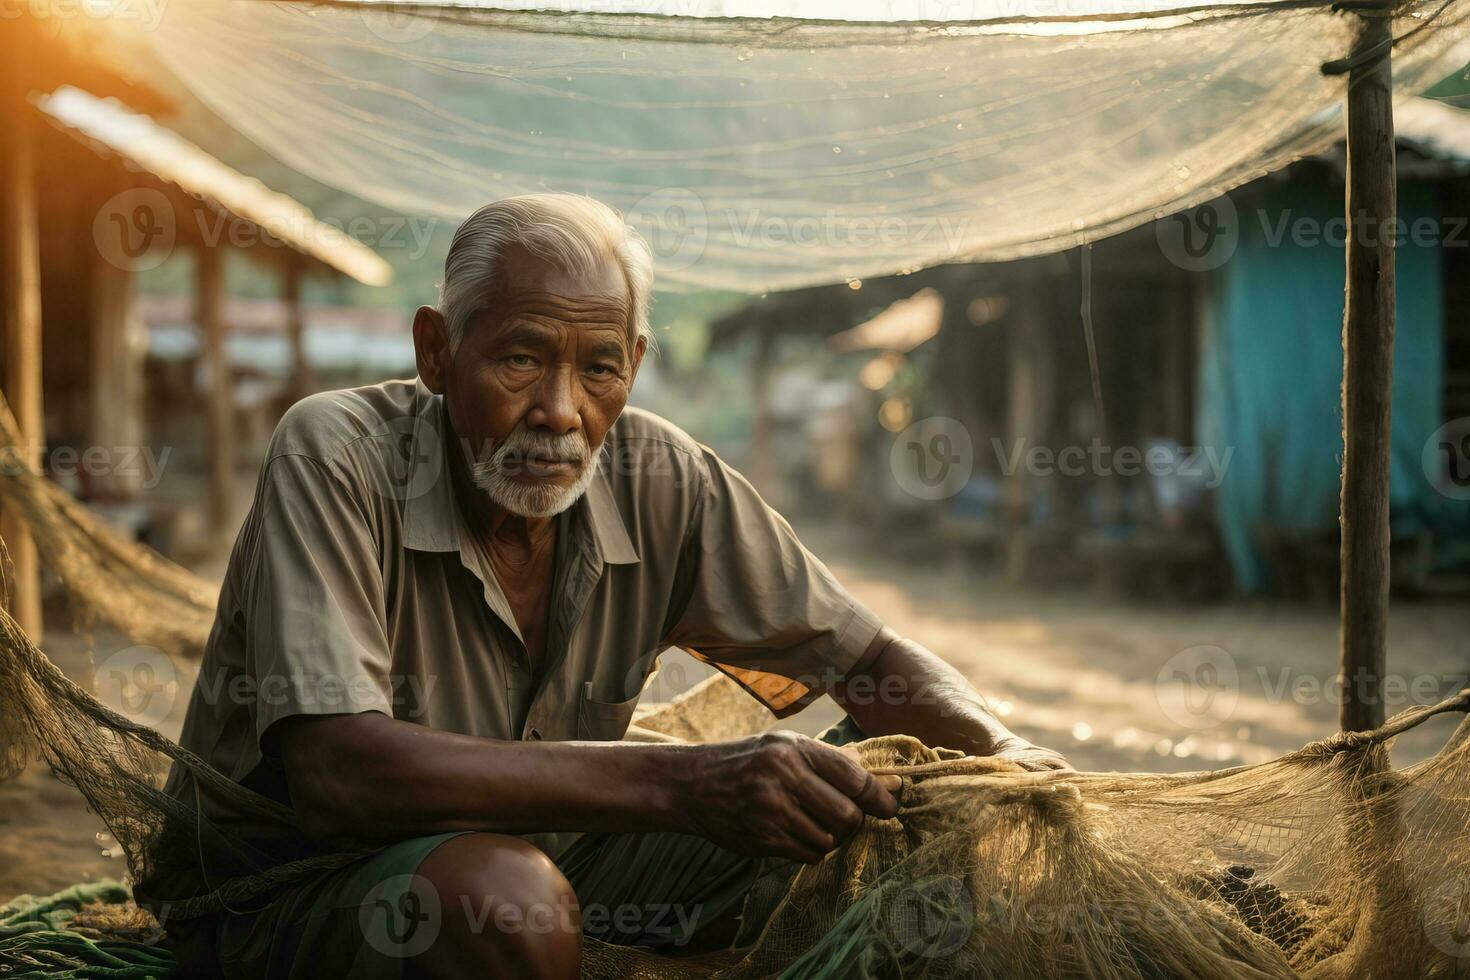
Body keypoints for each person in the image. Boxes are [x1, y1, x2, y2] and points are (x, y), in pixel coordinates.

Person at [142, 194, 1068, 979]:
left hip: (555, 854)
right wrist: (680, 783)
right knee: (504, 905)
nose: (559, 411)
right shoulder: (336, 453)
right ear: (436, 352)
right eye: (520, 358)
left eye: (598, 368)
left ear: (634, 364)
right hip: (288, 888)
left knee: (890, 788)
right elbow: (340, 775)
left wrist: (1019, 759)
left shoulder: (664, 477)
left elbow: (868, 661)